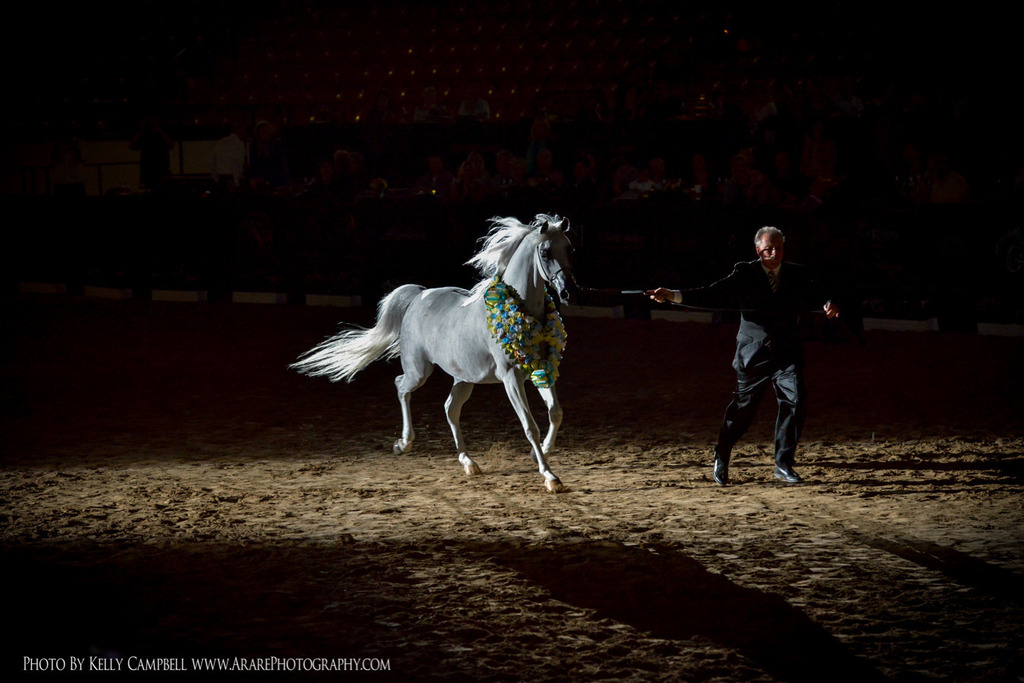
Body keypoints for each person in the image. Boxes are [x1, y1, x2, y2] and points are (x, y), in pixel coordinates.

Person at [646, 226, 840, 486]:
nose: (774, 253)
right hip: (753, 355)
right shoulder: (744, 272)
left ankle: (783, 464)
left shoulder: (797, 273)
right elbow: (713, 291)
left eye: (779, 248)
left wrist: (828, 303)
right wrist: (674, 295)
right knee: (743, 411)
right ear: (758, 250)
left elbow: (817, 293)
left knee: (795, 401)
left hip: (786, 353)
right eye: (769, 248)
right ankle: (722, 453)